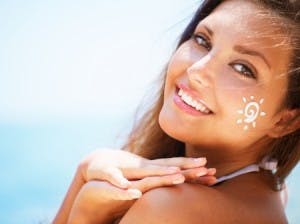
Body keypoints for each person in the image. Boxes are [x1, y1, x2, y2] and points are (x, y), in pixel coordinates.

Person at [53, 0, 300, 223]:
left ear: (286, 120)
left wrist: (85, 210)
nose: (197, 71)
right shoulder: (269, 194)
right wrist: (85, 171)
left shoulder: (171, 209)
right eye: (202, 40)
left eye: (242, 68)